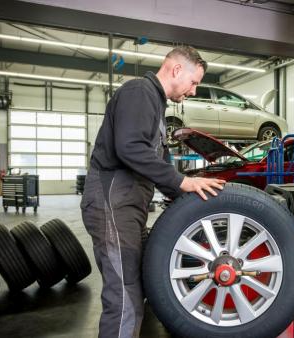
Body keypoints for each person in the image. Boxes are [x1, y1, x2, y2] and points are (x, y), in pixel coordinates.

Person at [80, 46, 225, 338]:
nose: (193, 91)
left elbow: (154, 162)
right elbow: (130, 148)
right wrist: (182, 182)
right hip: (113, 203)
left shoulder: (155, 103)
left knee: (142, 280)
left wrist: (183, 193)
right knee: (124, 294)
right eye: (194, 82)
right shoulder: (139, 92)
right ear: (176, 70)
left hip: (128, 205)